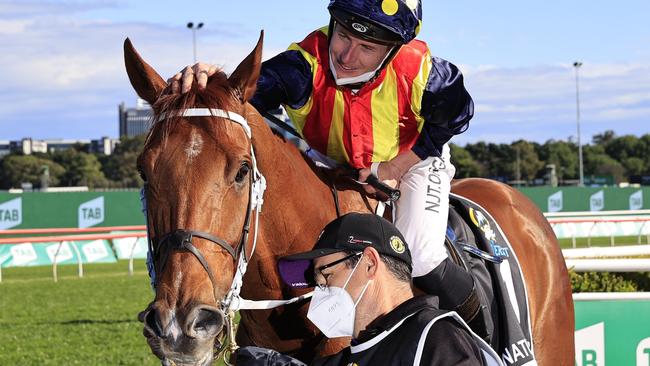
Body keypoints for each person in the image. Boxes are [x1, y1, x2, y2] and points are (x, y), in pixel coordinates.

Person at [169, 0, 487, 337]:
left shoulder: (426, 72)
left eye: (367, 47)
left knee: (420, 256)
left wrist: (397, 164)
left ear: (394, 49)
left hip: (414, 160)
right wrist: (209, 81)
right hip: (333, 161)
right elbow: (237, 100)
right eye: (344, 36)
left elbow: (457, 113)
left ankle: (485, 339)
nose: (347, 56)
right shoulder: (301, 66)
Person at [271, 213, 501, 366]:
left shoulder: (436, 340)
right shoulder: (357, 351)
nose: (320, 292)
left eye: (326, 274)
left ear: (369, 263)